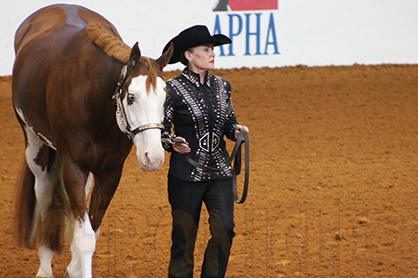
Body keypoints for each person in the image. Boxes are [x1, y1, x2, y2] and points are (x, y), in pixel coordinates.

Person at [161, 25, 249, 278]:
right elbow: (162, 131)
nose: (212, 54)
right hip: (185, 176)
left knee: (225, 229)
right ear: (188, 55)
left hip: (220, 172)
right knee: (183, 239)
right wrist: (172, 141)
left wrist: (236, 131)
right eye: (206, 49)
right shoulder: (171, 89)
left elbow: (228, 121)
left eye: (212, 49)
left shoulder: (223, 86)